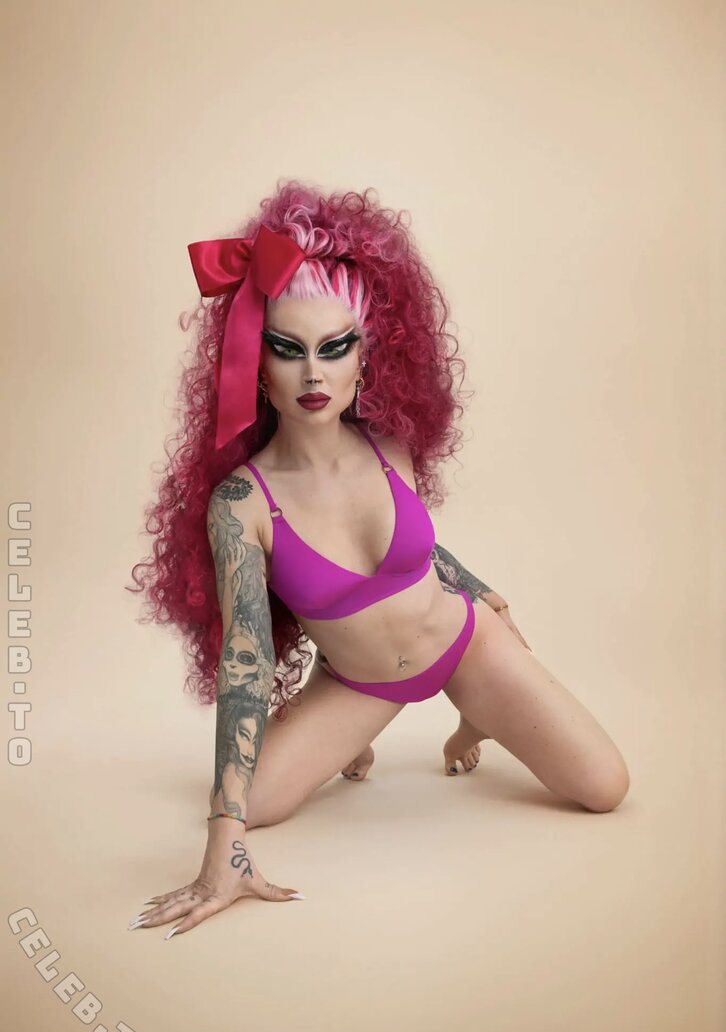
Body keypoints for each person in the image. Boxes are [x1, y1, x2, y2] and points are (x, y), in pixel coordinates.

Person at [127, 181, 630, 939]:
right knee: (250, 804)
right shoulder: (242, 503)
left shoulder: (389, 444)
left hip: (466, 645)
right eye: (288, 349)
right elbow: (244, 662)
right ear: (255, 363)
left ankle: (476, 716)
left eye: (336, 347)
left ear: (367, 357)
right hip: (362, 681)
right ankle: (352, 730)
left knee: (605, 788)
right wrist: (222, 843)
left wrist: (480, 592)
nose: (314, 375)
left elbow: (417, 549)